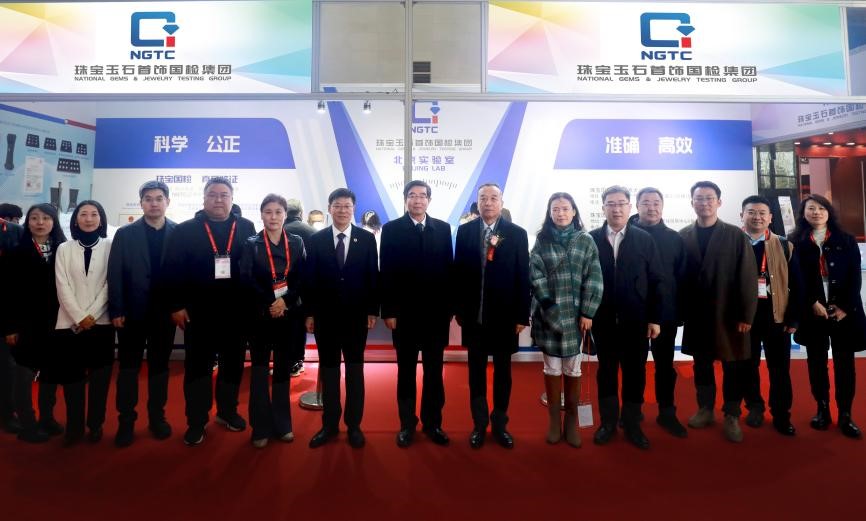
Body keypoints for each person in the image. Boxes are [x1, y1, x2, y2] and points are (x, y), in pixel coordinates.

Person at [163, 177, 257, 446]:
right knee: (197, 368)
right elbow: (172, 269)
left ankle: (227, 412)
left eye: (224, 195)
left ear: (232, 198)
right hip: (198, 313)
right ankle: (196, 421)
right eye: (213, 195)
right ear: (203, 199)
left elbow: (254, 268)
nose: (218, 199)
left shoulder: (246, 227)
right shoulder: (185, 230)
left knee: (233, 366)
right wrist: (176, 305)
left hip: (236, 314)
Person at [680, 181, 758, 443]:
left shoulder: (735, 235)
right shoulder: (683, 235)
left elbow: (747, 276)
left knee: (732, 365)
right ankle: (705, 408)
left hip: (729, 314)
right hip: (697, 314)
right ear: (692, 202)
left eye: (709, 198)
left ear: (719, 202)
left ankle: (732, 414)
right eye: (699, 198)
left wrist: (746, 315)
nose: (704, 203)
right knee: (701, 364)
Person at [454, 183, 530, 449]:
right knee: (475, 372)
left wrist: (522, 315)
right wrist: (460, 309)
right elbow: (459, 273)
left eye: (493, 198)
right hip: (474, 317)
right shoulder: (465, 232)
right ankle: (478, 424)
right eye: (483, 198)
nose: (488, 203)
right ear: (477, 203)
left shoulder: (517, 233)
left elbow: (523, 276)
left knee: (503, 373)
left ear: (501, 202)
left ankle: (500, 424)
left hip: (505, 317)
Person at [589, 186, 665, 450]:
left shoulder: (644, 239)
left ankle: (632, 423)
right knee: (606, 372)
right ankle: (608, 423)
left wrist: (655, 318)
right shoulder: (591, 239)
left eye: (621, 203)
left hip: (636, 321)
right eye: (611, 204)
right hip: (603, 321)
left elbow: (657, 280)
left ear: (630, 207)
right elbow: (583, 280)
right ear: (603, 208)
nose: (616, 209)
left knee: (635, 372)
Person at [380, 181, 453, 448]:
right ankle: (407, 424)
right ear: (405, 199)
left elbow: (449, 270)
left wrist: (449, 309)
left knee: (434, 372)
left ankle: (433, 423)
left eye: (422, 196)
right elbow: (386, 271)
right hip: (404, 316)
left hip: (435, 316)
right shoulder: (391, 229)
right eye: (412, 195)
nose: (417, 200)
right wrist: (388, 311)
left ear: (429, 200)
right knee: (406, 372)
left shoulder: (443, 229)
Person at [305, 188, 379, 449]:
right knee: (329, 372)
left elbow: (372, 276)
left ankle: (354, 426)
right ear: (329, 208)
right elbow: (310, 280)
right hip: (325, 318)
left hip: (356, 319)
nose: (342, 210)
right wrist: (310, 313)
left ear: (354, 209)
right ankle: (329, 425)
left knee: (355, 373)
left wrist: (372, 310)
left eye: (347, 206)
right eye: (337, 206)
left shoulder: (366, 239)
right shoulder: (316, 240)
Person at [107, 181, 177, 447]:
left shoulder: (178, 232)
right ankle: (126, 421)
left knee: (160, 368)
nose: (154, 203)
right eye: (148, 198)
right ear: (141, 203)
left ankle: (157, 418)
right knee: (128, 369)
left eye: (159, 198)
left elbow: (183, 272)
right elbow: (115, 273)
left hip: (165, 316)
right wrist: (117, 309)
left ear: (167, 202)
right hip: (131, 315)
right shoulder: (125, 234)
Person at [530, 192, 602, 448]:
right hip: (548, 314)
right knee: (551, 368)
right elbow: (535, 273)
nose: (560, 213)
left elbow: (594, 276)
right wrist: (548, 304)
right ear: (549, 213)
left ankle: (571, 422)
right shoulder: (542, 240)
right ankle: (553, 422)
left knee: (573, 369)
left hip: (576, 318)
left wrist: (588, 311)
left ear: (574, 212)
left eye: (565, 208)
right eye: (555, 209)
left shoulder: (585, 240)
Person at [790, 194, 864, 438]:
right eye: (811, 208)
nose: (817, 212)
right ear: (803, 213)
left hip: (845, 313)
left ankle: (845, 414)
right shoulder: (795, 241)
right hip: (813, 312)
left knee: (845, 364)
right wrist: (811, 302)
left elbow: (855, 276)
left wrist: (844, 307)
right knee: (816, 362)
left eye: (821, 208)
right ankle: (822, 409)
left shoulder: (846, 239)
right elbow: (794, 278)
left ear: (829, 212)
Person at [241, 194, 306, 448]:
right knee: (259, 372)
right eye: (268, 212)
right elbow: (246, 280)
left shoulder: (296, 242)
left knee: (281, 370)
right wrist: (271, 303)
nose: (273, 217)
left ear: (285, 215)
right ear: (261, 215)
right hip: (260, 316)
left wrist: (285, 302)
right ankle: (260, 427)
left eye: (278, 212)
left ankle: (283, 424)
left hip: (287, 316)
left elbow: (301, 277)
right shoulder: (252, 243)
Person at [739, 195, 802, 436]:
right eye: (751, 212)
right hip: (744, 319)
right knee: (748, 366)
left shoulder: (784, 245)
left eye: (762, 213)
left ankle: (781, 414)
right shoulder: (734, 243)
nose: (757, 217)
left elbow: (797, 285)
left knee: (780, 370)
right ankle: (754, 407)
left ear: (770, 218)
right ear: (742, 215)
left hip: (776, 318)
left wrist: (793, 318)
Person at [628, 187, 688, 438]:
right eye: (645, 203)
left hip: (664, 315)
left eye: (656, 203)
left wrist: (678, 312)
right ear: (637, 206)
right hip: (634, 314)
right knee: (634, 366)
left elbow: (681, 278)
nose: (651, 207)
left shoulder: (674, 238)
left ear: (662, 206)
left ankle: (667, 412)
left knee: (665, 365)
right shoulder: (625, 236)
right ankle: (633, 413)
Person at [3, 204, 65, 442]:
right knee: (24, 376)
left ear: (54, 222)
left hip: (56, 324)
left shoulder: (63, 249)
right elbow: (7, 294)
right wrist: (9, 327)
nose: (40, 223)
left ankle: (47, 418)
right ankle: (27, 425)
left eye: (46, 218)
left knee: (50, 375)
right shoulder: (16, 252)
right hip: (25, 325)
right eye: (35, 218)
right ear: (27, 222)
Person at [54, 200, 114, 445]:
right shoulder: (64, 248)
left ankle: (95, 425)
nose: (89, 219)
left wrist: (91, 315)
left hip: (101, 325)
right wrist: (79, 316)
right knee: (72, 381)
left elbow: (110, 284)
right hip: (69, 325)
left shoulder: (111, 246)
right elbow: (62, 285)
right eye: (83, 214)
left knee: (100, 381)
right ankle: (74, 427)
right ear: (75, 219)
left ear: (101, 219)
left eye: (94, 214)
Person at [283, 199, 316, 378]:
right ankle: (298, 361)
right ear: (301, 213)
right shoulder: (312, 232)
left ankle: (288, 361)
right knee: (301, 325)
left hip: (283, 289)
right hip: (307, 288)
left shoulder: (278, 230)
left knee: (286, 328)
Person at [0, 210, 24, 434]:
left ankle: (7, 413)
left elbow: (18, 281)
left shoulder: (15, 232)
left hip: (5, 314)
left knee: (6, 369)